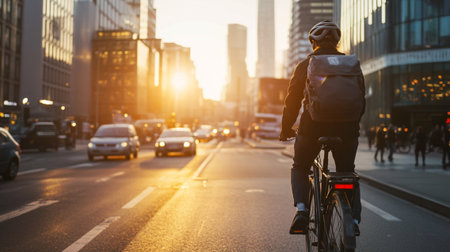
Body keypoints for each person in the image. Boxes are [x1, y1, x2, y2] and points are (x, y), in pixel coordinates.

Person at [279, 20, 365, 235]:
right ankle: (352, 219)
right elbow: (361, 99)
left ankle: (301, 210)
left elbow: (292, 101)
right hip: (347, 130)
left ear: (312, 42)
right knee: (346, 172)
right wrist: (353, 125)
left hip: (313, 127)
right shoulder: (352, 65)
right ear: (337, 42)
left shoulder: (305, 65)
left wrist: (286, 128)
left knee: (300, 167)